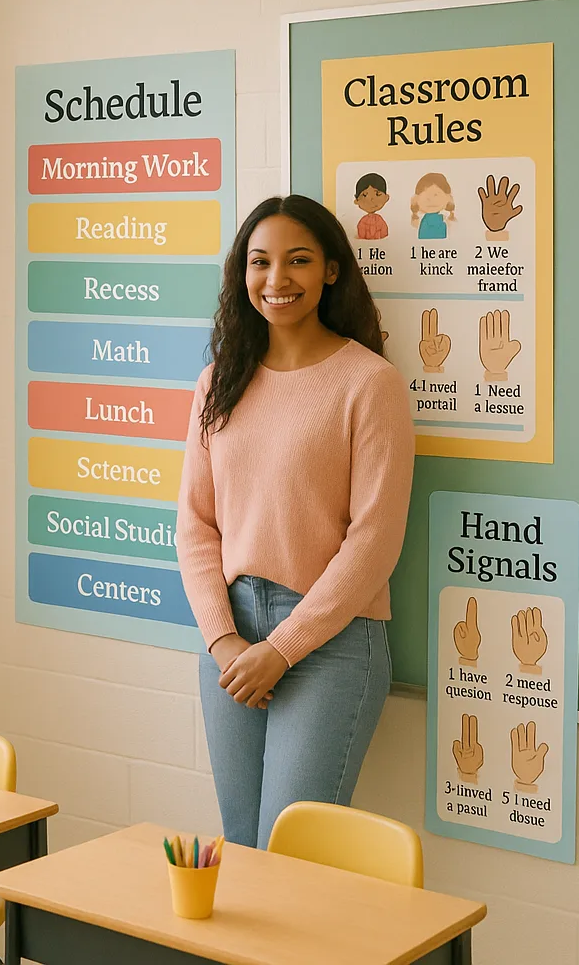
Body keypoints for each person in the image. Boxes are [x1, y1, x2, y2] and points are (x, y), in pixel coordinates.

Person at [177, 194, 414, 850]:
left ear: (331, 271)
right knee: (242, 845)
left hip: (330, 642)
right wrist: (225, 642)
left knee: (293, 853)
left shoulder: (369, 383)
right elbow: (196, 525)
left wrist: (281, 649)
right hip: (230, 630)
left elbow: (374, 542)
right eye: (260, 262)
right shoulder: (218, 380)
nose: (277, 279)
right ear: (241, 273)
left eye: (298, 261)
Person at [411, 173, 455, 239]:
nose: (431, 200)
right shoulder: (425, 221)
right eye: (426, 195)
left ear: (447, 197)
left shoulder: (441, 221)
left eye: (436, 195)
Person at [353, 172, 390, 240]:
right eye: (365, 195)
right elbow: (361, 232)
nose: (371, 199)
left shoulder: (379, 220)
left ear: (386, 197)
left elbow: (384, 231)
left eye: (377, 194)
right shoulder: (363, 221)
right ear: (357, 201)